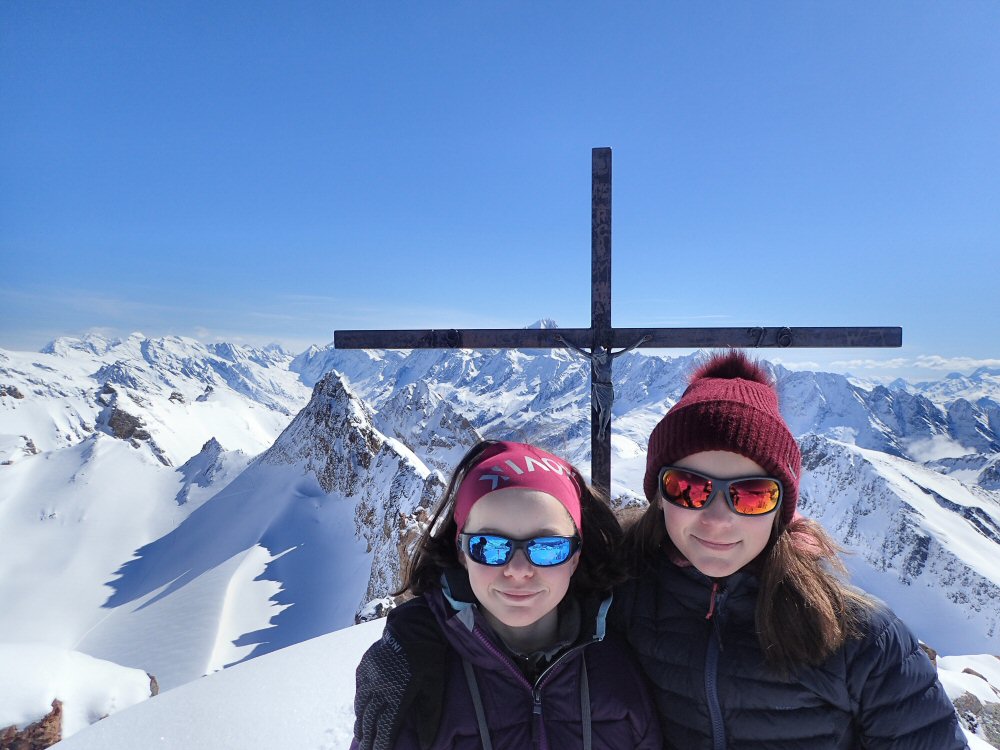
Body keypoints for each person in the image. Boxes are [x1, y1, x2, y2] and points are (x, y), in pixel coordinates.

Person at [615, 349, 968, 749]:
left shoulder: (862, 639)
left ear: (781, 510)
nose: (717, 519)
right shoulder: (619, 598)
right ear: (658, 495)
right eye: (689, 488)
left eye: (751, 496)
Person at [351, 440, 662, 750]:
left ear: (575, 557)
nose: (518, 569)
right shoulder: (416, 673)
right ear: (462, 553)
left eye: (548, 548)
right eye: (489, 546)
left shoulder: (623, 663)